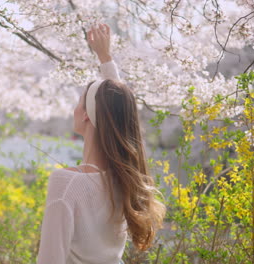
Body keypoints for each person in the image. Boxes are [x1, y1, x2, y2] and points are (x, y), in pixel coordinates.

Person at [36, 23, 166, 264]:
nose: (74, 108)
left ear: (86, 114)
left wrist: (106, 59)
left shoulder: (66, 183)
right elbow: (120, 113)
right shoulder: (124, 179)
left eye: (79, 102)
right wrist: (106, 59)